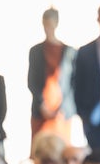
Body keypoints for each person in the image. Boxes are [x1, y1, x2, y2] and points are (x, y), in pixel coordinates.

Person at [28, 8, 77, 142]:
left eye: (50, 23)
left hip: (62, 111)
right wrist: (42, 105)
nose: (48, 27)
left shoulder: (69, 52)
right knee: (41, 147)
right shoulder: (35, 51)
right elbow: (32, 81)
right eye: (45, 23)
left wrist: (61, 107)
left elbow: (73, 83)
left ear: (56, 23)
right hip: (41, 110)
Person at [74, 3, 100, 150]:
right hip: (94, 116)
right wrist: (83, 114)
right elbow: (77, 85)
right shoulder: (85, 52)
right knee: (96, 161)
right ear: (98, 18)